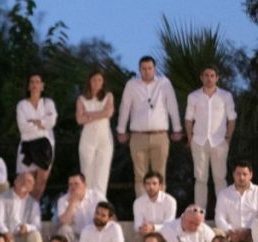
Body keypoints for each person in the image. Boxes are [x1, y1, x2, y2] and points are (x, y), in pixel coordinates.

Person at [117, 56, 183, 197]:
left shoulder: (164, 83)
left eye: (149, 68)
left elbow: (172, 106)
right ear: (139, 69)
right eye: (143, 69)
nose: (146, 71)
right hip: (138, 136)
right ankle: (142, 211)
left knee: (160, 174)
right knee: (140, 175)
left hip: (160, 135)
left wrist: (177, 128)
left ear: (155, 68)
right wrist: (121, 130)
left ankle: (160, 211)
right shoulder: (132, 85)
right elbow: (125, 108)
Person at [184, 66, 236, 212]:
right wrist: (190, 138)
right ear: (201, 77)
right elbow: (188, 119)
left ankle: (223, 212)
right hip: (199, 141)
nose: (209, 78)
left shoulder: (226, 96)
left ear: (217, 78)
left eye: (212, 75)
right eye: (206, 75)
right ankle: (199, 213)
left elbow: (231, 119)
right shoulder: (193, 96)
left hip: (219, 141)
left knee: (220, 178)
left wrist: (227, 139)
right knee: (200, 179)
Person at [16, 73, 57, 200]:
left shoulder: (48, 103)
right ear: (28, 86)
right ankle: (23, 208)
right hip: (27, 145)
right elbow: (22, 126)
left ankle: (34, 206)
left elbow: (52, 121)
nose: (34, 85)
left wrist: (35, 122)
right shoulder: (22, 105)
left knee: (41, 180)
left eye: (37, 82)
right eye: (32, 82)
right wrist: (41, 123)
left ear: (42, 86)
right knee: (27, 180)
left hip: (45, 146)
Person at [75, 70, 115, 197]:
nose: (96, 83)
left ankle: (100, 203)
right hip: (87, 139)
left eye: (99, 80)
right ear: (89, 81)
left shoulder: (108, 97)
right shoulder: (81, 99)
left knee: (102, 174)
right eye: (94, 80)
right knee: (87, 173)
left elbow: (108, 113)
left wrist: (88, 114)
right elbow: (79, 119)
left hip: (104, 139)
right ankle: (86, 204)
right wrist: (100, 114)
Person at [0, 172, 42, 242]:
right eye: (22, 179)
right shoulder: (2, 198)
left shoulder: (34, 203)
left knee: (35, 235)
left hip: (24, 236)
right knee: (1, 241)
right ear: (15, 181)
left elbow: (37, 224)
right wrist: (5, 232)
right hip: (6, 236)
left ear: (32, 187)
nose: (25, 183)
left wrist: (27, 227)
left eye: (29, 181)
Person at [214, 162, 256, 242]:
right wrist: (231, 231)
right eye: (238, 174)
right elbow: (219, 217)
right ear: (233, 175)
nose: (241, 177)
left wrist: (249, 231)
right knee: (215, 233)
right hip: (231, 236)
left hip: (252, 235)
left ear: (251, 175)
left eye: (244, 174)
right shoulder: (224, 193)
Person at [54, 172, 105, 242]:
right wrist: (73, 202)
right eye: (70, 184)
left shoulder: (96, 196)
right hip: (76, 239)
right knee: (63, 229)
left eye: (76, 184)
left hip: (95, 236)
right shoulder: (63, 200)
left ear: (84, 185)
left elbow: (109, 215)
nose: (73, 187)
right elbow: (64, 222)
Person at [133, 171, 177, 236]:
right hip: (146, 236)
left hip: (165, 236)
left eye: (154, 183)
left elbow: (169, 225)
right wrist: (141, 228)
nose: (151, 187)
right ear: (144, 186)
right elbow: (137, 224)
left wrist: (153, 228)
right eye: (148, 184)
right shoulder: (138, 202)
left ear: (160, 185)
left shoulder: (170, 201)